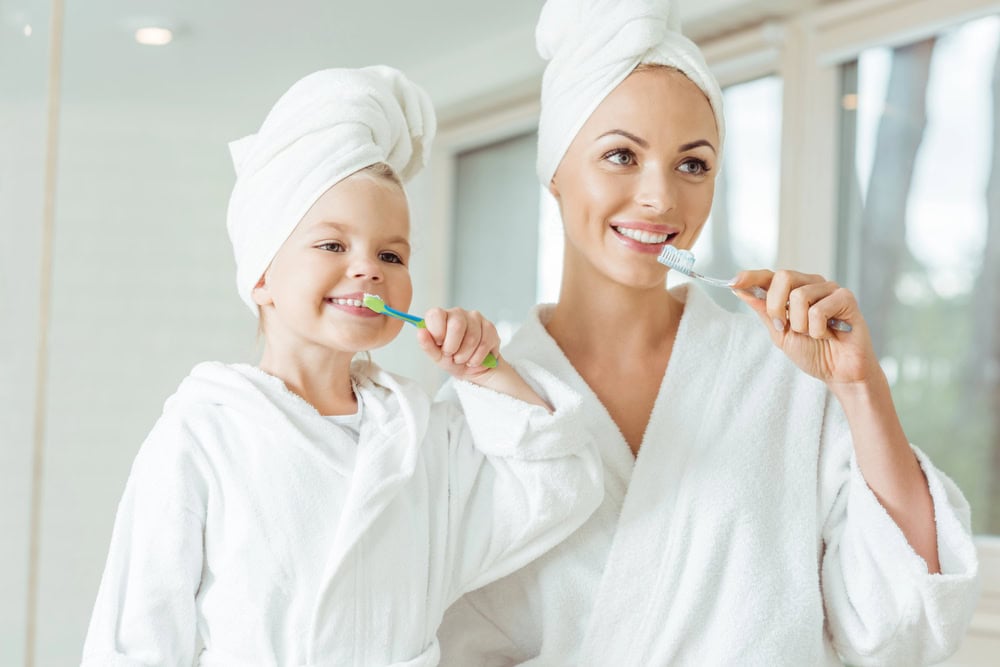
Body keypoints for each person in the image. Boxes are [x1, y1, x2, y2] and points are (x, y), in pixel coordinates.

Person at [437, 1, 979, 665]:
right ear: (555, 169)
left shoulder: (785, 377)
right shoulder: (479, 409)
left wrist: (860, 388)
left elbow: (903, 627)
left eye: (692, 164)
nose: (660, 197)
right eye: (620, 155)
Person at [80, 66, 602, 667]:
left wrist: (489, 376)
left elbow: (557, 490)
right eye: (332, 245)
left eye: (390, 254)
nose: (368, 269)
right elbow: (136, 637)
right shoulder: (205, 433)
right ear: (261, 275)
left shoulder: (421, 434)